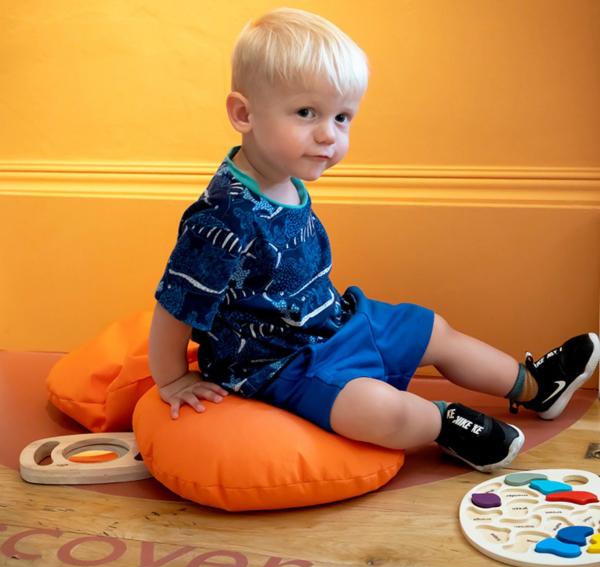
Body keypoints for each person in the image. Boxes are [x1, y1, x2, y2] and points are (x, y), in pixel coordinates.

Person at [148, 7, 600, 473]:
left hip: (336, 320)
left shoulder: (280, 172)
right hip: (279, 364)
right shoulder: (221, 220)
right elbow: (175, 302)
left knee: (434, 330)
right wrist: (173, 378)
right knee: (376, 409)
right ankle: (442, 422)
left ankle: (535, 385)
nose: (329, 135)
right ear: (244, 114)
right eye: (306, 113)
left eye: (342, 117)